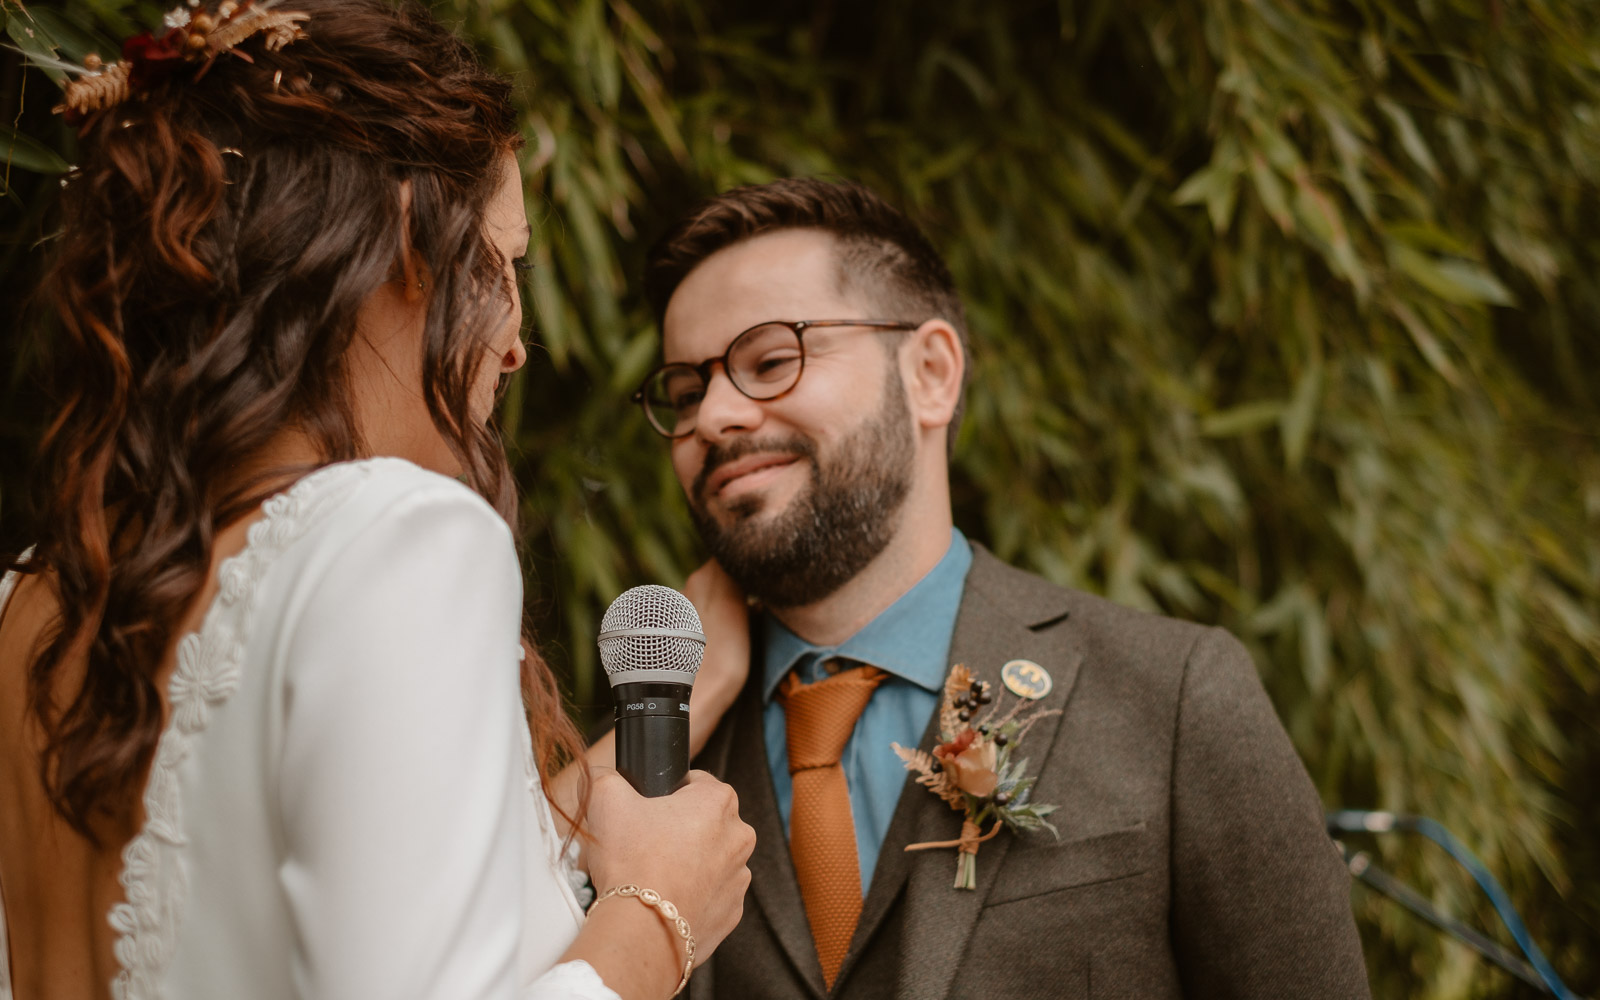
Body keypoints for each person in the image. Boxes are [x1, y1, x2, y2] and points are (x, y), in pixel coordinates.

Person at [0, 2, 754, 998]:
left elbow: (339, 844)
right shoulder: (400, 540)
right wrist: (655, 916)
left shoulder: (33, 602)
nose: (520, 341)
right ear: (409, 242)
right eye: (505, 264)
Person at [631, 178, 1373, 999]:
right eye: (685, 393)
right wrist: (680, 708)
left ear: (932, 374)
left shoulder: (1177, 698)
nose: (714, 417)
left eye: (770, 360)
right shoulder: (652, 741)